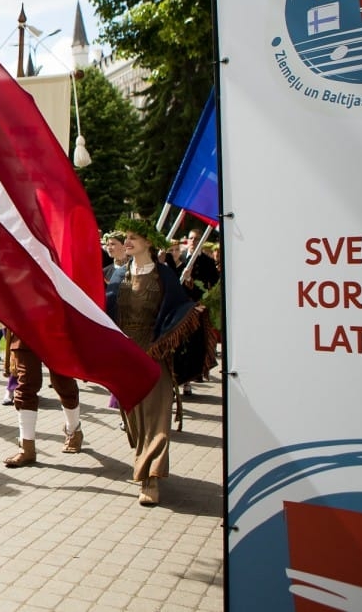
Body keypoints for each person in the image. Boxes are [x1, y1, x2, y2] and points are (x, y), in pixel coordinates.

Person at [106, 217, 210, 507]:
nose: (127, 242)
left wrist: (192, 314)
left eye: (133, 238)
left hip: (155, 354)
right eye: (125, 238)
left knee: (156, 417)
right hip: (125, 355)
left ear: (148, 243)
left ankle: (150, 478)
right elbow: (107, 311)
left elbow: (179, 311)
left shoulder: (164, 276)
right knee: (133, 417)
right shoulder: (118, 275)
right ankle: (143, 461)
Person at [1, 332, 85, 467]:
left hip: (54, 328)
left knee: (63, 383)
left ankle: (73, 429)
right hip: (25, 330)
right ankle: (26, 448)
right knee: (25, 387)